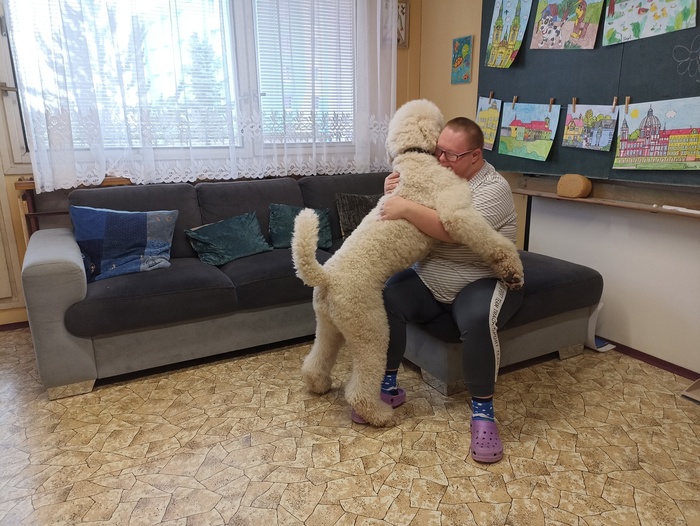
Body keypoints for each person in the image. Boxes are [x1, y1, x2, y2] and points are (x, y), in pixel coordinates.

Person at [376, 117, 524, 463]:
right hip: (432, 276)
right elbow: (399, 214)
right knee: (388, 296)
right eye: (438, 151)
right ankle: (387, 384)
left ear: (475, 156)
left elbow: (453, 229)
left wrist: (405, 205)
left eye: (451, 155)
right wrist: (392, 192)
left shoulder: (494, 188)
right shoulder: (439, 173)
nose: (441, 159)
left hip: (481, 278)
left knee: (477, 319)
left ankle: (483, 414)